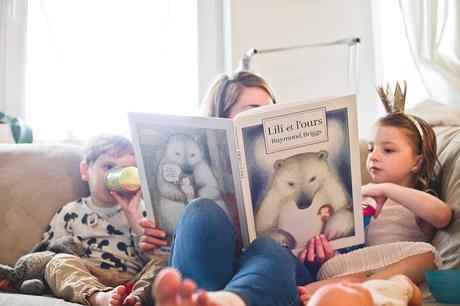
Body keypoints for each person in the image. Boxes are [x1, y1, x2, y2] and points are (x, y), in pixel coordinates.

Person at [140, 70, 316, 306]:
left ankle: (225, 301)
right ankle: (206, 299)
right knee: (201, 210)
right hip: (205, 265)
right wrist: (159, 240)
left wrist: (318, 254)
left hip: (273, 269)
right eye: (254, 110)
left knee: (268, 245)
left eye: (269, 110)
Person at [299, 89, 452, 296]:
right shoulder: (361, 197)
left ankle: (349, 291)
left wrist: (385, 189)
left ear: (417, 162)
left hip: (396, 266)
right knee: (339, 272)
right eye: (371, 149)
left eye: (387, 150)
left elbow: (443, 216)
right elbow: (345, 243)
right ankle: (353, 289)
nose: (374, 157)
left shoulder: (418, 202)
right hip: (353, 265)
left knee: (429, 256)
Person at [39, 134, 168, 306]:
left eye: (127, 169)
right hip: (89, 275)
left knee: (165, 261)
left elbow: (151, 257)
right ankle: (99, 297)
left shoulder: (143, 209)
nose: (118, 175)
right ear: (85, 171)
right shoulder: (71, 211)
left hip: (133, 280)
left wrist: (133, 216)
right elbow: (48, 253)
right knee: (57, 262)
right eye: (108, 166)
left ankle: (136, 299)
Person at [306, 274, 422, 306]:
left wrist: (314, 301)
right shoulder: (389, 298)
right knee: (407, 288)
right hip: (385, 289)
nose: (345, 283)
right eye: (347, 287)